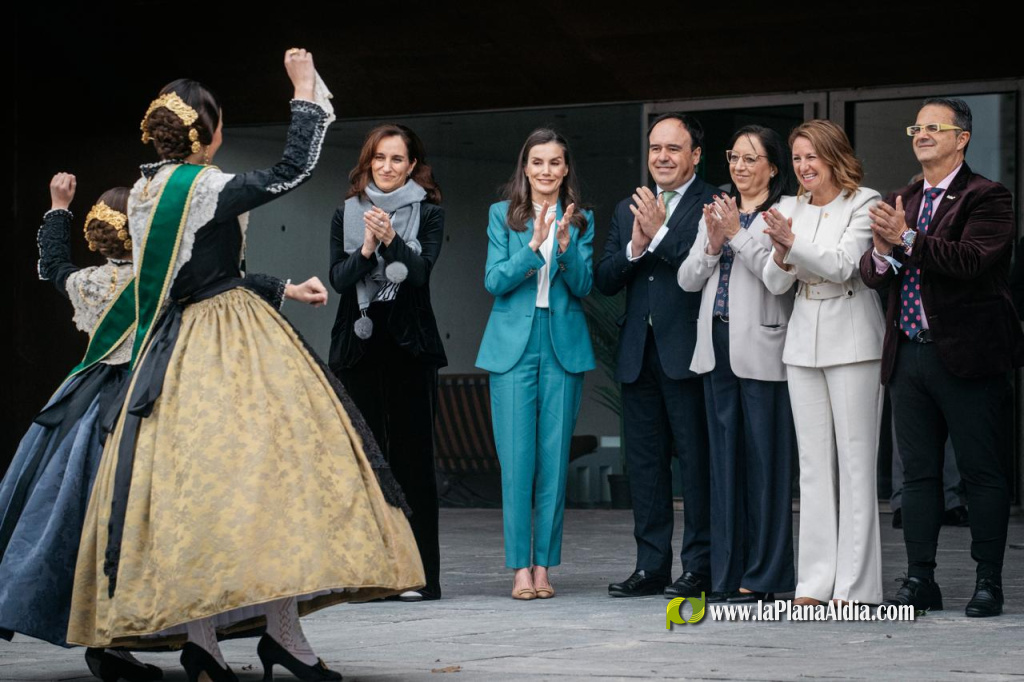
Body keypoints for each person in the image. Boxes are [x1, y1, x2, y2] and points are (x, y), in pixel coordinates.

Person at [67, 50, 425, 682]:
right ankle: (276, 636)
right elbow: (292, 170)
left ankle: (212, 645)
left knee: (200, 500)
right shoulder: (198, 185)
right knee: (272, 484)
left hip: (177, 350)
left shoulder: (149, 189)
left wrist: (283, 287)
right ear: (208, 132)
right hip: (228, 347)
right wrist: (305, 94)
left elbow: (199, 275)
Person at [861, 97, 1023, 617]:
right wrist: (885, 250)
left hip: (970, 358)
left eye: (935, 127)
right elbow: (872, 273)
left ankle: (988, 582)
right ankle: (920, 580)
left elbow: (972, 260)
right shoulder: (901, 197)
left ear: (963, 138)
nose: (922, 134)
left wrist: (904, 237)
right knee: (918, 478)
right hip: (909, 355)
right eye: (917, 126)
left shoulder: (988, 196)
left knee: (982, 473)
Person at [761, 119, 884, 606]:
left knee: (856, 465)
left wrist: (792, 247)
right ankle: (814, 583)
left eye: (812, 156)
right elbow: (774, 284)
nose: (803, 166)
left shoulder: (865, 201)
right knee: (812, 467)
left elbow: (842, 265)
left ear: (834, 156)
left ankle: (857, 588)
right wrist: (781, 251)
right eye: (796, 158)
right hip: (803, 340)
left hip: (853, 337)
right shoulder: (787, 206)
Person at [596, 113, 716, 598]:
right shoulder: (629, 207)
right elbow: (604, 279)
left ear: (695, 155)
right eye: (654, 149)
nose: (661, 157)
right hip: (637, 353)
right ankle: (650, 566)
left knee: (696, 463)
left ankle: (700, 566)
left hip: (687, 351)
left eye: (672, 148)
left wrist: (661, 235)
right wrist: (636, 244)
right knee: (644, 467)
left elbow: (699, 262)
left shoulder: (713, 201)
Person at [677, 125, 796, 603]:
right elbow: (688, 280)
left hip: (763, 349)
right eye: (733, 158)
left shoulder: (786, 212)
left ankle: (765, 577)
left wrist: (737, 236)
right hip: (715, 348)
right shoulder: (718, 209)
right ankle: (726, 576)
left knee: (766, 468)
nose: (740, 167)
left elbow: (776, 279)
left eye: (751, 158)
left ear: (772, 166)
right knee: (723, 468)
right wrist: (710, 242)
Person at [328, 123, 446, 601]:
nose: (388, 167)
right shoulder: (346, 213)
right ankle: (368, 574)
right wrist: (368, 247)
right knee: (363, 462)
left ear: (412, 165)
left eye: (398, 159)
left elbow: (418, 274)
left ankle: (420, 577)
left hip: (410, 345)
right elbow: (338, 279)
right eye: (380, 158)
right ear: (368, 161)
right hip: (360, 345)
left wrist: (395, 239)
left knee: (413, 461)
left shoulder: (430, 214)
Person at [476, 128, 595, 600]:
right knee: (517, 462)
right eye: (537, 162)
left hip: (562, 341)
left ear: (566, 169)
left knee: (552, 462)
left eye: (555, 163)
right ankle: (519, 568)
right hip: (513, 345)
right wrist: (533, 247)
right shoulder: (501, 216)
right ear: (525, 168)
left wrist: (564, 246)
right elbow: (493, 281)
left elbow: (585, 286)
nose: (546, 171)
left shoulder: (581, 218)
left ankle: (544, 567)